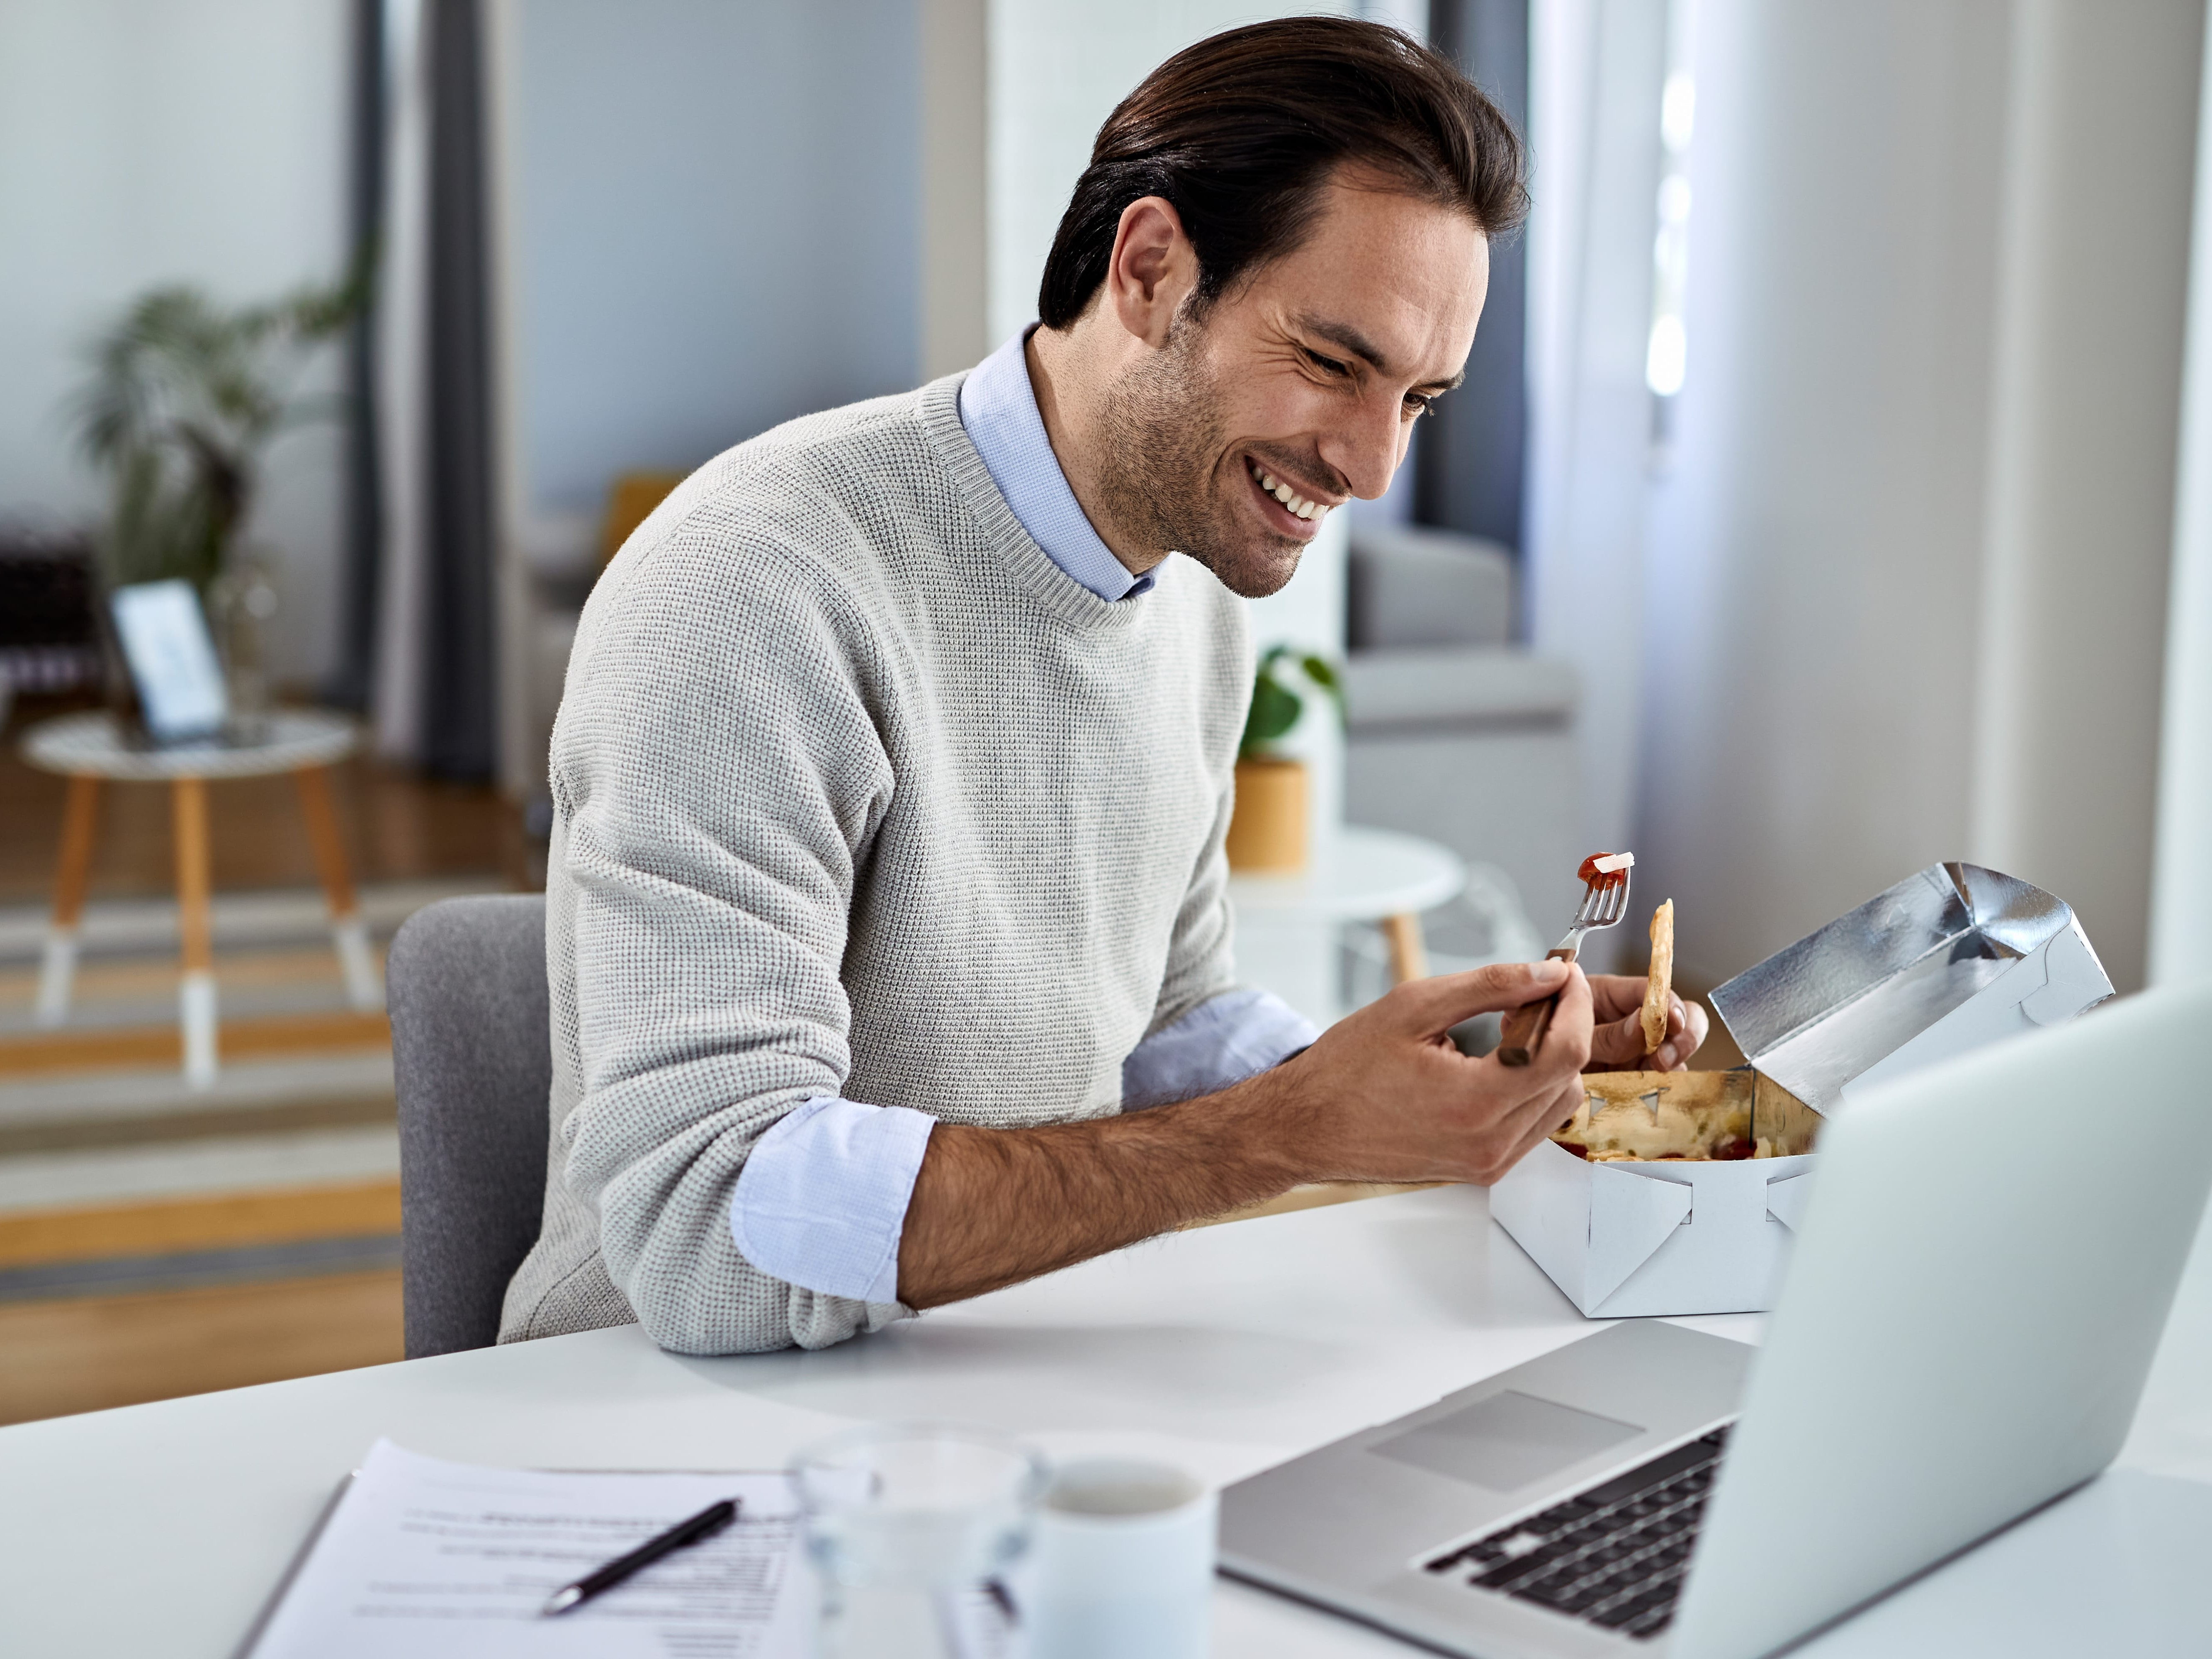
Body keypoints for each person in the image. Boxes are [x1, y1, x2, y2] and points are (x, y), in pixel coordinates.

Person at [501, 16, 1707, 1356]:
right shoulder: (756, 585)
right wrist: (1286, 1129)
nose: (1374, 469)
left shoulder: (1192, 595)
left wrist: (1446, 1082)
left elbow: (1166, 1021)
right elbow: (711, 1231)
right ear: (1149, 270)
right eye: (1332, 363)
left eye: (1419, 400)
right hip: (657, 1409)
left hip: (997, 1366)